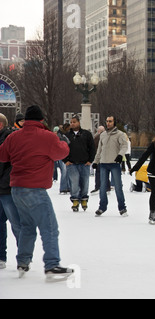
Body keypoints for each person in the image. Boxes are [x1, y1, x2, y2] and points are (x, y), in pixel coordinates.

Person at [0, 105, 74, 278]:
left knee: (27, 227)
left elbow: (2, 155)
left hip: (16, 189)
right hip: (35, 189)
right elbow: (61, 153)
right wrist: (63, 142)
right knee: (49, 227)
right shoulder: (47, 136)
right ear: (41, 120)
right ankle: (52, 265)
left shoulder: (13, 136)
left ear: (26, 120)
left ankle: (23, 263)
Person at [92, 116, 128, 217]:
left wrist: (120, 155)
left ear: (114, 122)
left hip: (114, 163)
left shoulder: (120, 134)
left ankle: (122, 208)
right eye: (107, 121)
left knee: (118, 187)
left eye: (110, 121)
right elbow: (99, 149)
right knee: (102, 187)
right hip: (103, 163)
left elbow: (124, 146)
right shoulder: (103, 135)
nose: (108, 123)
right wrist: (96, 161)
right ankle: (102, 207)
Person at [0, 113, 21, 270]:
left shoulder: (11, 139)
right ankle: (1, 256)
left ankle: (24, 256)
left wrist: (4, 183)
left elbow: (13, 163)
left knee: (16, 223)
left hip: (7, 189)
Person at [63, 116, 95, 212]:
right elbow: (62, 148)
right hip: (72, 163)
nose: (72, 124)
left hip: (84, 163)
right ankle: (75, 200)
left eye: (74, 122)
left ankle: (84, 199)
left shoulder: (86, 134)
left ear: (79, 123)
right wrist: (65, 160)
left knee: (85, 182)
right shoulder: (67, 135)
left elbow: (92, 148)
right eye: (71, 122)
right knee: (74, 182)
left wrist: (90, 160)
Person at [53, 126, 70, 194]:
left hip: (65, 155)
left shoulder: (64, 136)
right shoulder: (60, 136)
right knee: (64, 171)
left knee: (67, 172)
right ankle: (63, 188)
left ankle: (68, 187)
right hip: (62, 156)